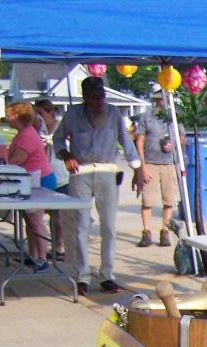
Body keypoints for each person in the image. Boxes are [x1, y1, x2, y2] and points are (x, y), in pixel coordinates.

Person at [53, 76, 142, 295]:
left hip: (106, 171)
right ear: (85, 98)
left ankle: (107, 275)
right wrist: (66, 155)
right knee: (80, 224)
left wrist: (138, 169)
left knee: (109, 227)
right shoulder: (73, 114)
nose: (98, 102)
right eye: (94, 98)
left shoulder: (113, 114)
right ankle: (82, 275)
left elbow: (127, 143)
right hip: (80, 171)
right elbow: (57, 140)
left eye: (101, 96)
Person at [3, 101, 53, 271]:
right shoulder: (23, 132)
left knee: (36, 220)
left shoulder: (27, 135)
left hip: (38, 180)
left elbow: (18, 159)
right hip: (28, 180)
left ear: (17, 116)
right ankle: (33, 255)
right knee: (29, 220)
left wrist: (1, 164)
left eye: (8, 114)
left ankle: (43, 258)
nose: (6, 117)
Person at [133, 89, 184, 248]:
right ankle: (146, 232)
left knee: (169, 199)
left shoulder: (174, 117)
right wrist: (142, 166)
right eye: (161, 99)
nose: (164, 102)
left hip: (169, 163)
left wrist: (174, 144)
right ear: (156, 101)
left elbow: (182, 138)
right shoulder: (146, 117)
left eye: (167, 99)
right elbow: (139, 141)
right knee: (147, 199)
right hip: (150, 162)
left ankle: (165, 231)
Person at [34, 98, 68, 260]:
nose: (38, 117)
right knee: (42, 214)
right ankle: (45, 247)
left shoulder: (61, 126)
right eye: (36, 113)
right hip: (45, 173)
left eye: (41, 113)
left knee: (59, 216)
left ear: (51, 113)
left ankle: (59, 247)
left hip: (63, 174)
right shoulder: (38, 129)